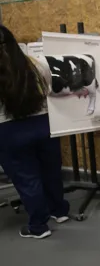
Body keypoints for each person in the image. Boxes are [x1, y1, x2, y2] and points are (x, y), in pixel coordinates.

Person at [0, 25, 70, 239]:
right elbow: (49, 87)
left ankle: (38, 226)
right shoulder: (34, 64)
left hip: (10, 130)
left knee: (26, 178)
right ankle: (59, 211)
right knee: (50, 172)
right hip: (43, 124)